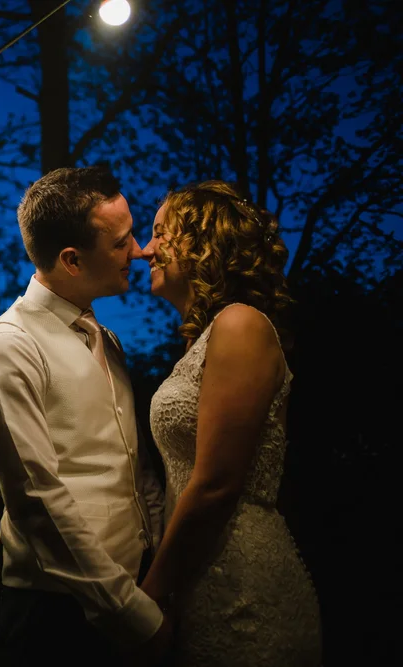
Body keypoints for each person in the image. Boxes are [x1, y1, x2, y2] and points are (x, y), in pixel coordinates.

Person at [0, 166, 172, 666]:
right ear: (72, 260)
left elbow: (134, 468)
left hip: (137, 588)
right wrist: (130, 613)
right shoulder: (6, 348)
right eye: (122, 242)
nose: (141, 250)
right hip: (58, 612)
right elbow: (36, 499)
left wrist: (159, 566)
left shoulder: (107, 340)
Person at [139, 180, 322, 666]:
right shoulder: (204, 342)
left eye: (160, 233)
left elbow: (218, 483)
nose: (144, 250)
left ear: (204, 241)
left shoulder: (241, 324)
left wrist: (149, 598)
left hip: (242, 586)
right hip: (198, 578)